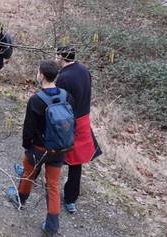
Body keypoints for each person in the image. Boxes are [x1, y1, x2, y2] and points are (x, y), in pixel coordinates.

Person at [7, 60, 75, 237]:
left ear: (42, 75)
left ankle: (20, 200)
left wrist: (27, 147)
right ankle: (52, 226)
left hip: (39, 149)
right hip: (60, 149)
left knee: (28, 175)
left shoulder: (36, 100)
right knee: (53, 185)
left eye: (38, 72)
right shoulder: (66, 96)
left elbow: (28, 129)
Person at [55, 45, 101, 214]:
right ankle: (70, 199)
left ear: (61, 57)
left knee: (49, 149)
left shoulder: (64, 78)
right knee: (76, 163)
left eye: (57, 56)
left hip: (69, 121)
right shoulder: (83, 70)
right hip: (83, 119)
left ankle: (29, 173)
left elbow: (60, 103)